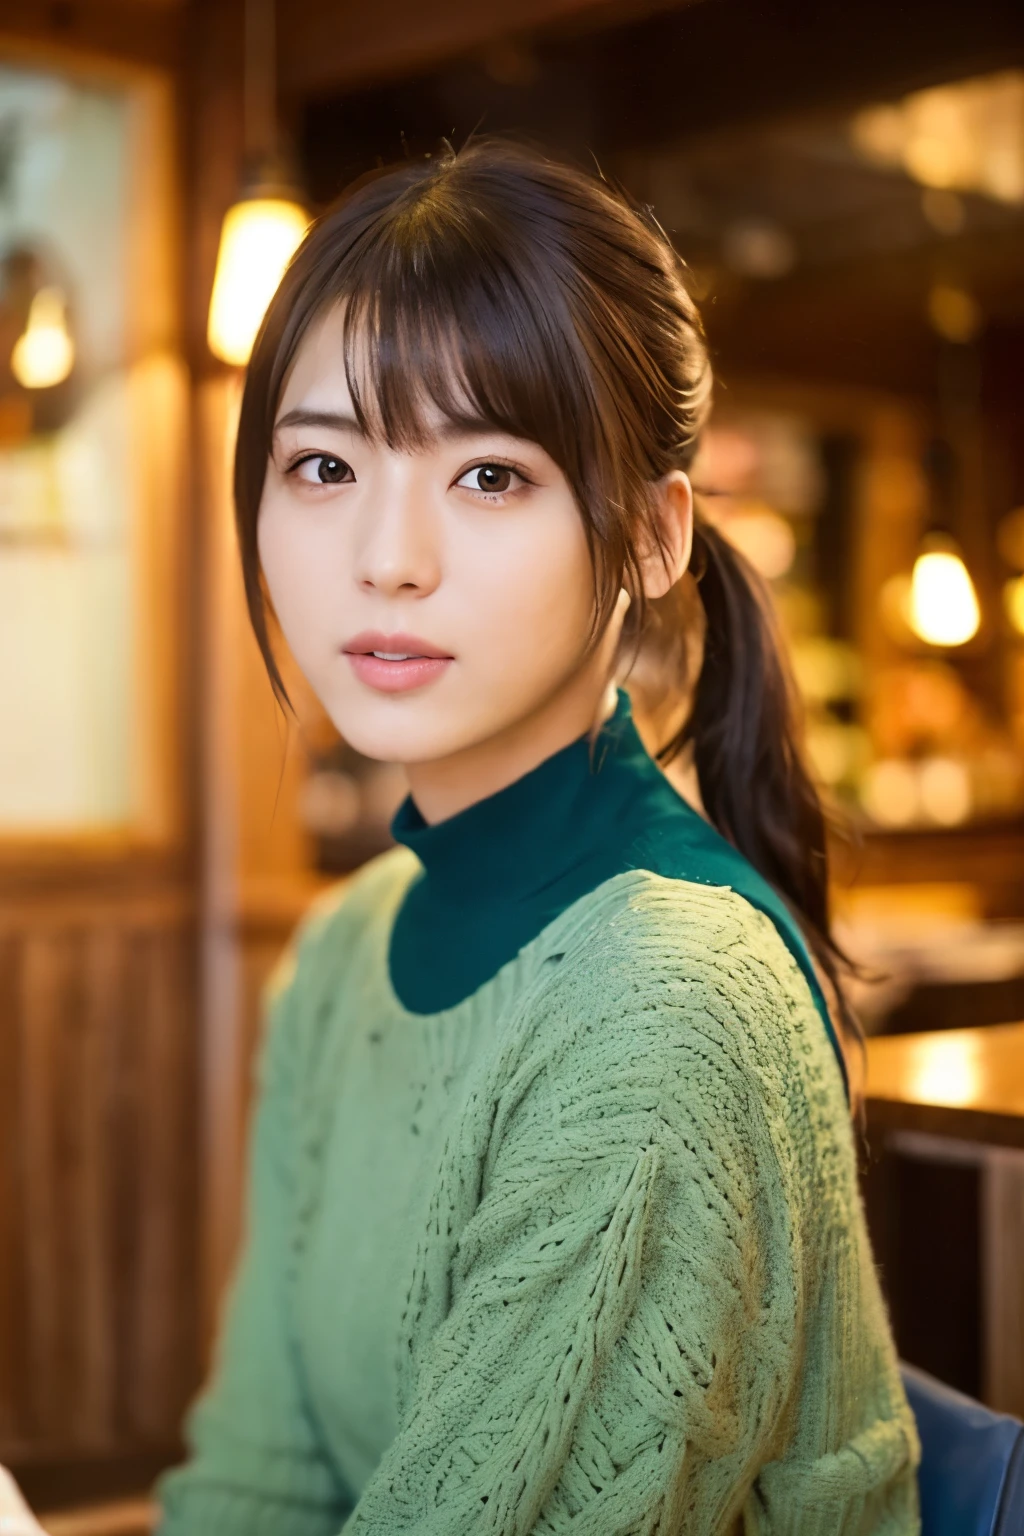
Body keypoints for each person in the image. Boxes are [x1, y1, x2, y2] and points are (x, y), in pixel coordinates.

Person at [157, 140, 920, 1534]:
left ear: (648, 536)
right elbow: (255, 1484)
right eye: (322, 464)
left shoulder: (667, 1003)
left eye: (490, 476)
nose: (386, 555)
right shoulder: (340, 957)